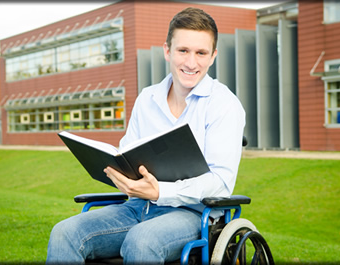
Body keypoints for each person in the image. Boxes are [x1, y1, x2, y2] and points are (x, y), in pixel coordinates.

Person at [46, 7, 245, 265]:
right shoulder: (147, 99)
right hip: (137, 207)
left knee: (142, 240)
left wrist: (160, 191)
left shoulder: (224, 105)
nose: (191, 62)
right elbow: (126, 153)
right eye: (183, 50)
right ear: (167, 51)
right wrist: (120, 175)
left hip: (194, 214)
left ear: (213, 56)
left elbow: (220, 182)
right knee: (65, 233)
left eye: (201, 53)